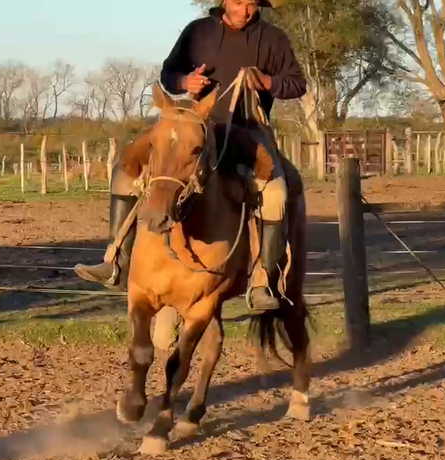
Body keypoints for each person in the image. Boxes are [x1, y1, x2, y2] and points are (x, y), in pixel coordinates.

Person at [74, 0, 307, 312]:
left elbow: (296, 84)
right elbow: (169, 73)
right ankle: (115, 259)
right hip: (192, 127)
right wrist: (185, 82)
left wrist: (266, 81)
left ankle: (263, 280)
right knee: (126, 169)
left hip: (246, 131)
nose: (245, 11)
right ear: (224, 1)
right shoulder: (197, 32)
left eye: (252, 4)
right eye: (238, 2)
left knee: (275, 190)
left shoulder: (272, 38)